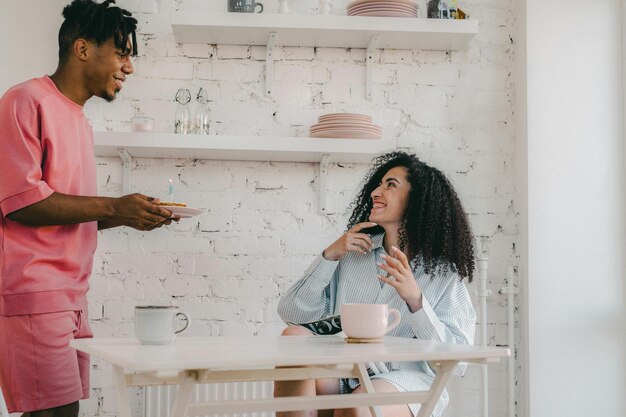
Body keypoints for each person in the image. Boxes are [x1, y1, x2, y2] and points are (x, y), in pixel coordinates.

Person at [0, 1, 174, 416]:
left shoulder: (78, 120)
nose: (128, 67)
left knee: (65, 412)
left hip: (71, 295)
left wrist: (126, 216)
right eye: (122, 52)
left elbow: (65, 211)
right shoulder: (24, 100)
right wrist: (114, 205)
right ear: (82, 49)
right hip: (35, 292)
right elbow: (21, 203)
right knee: (55, 414)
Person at [276, 151, 477, 417]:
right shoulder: (353, 253)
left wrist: (416, 301)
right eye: (379, 184)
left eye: (390, 185)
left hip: (407, 380)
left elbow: (457, 361)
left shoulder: (443, 274)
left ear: (416, 200)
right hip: (348, 370)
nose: (375, 192)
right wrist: (330, 256)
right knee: (295, 339)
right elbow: (293, 315)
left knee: (360, 403)